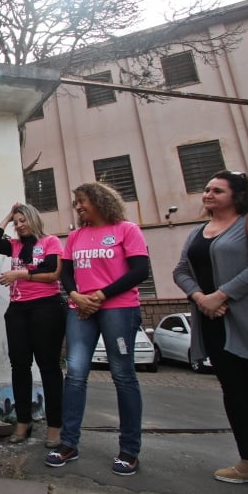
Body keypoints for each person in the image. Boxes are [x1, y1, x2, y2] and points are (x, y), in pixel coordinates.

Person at [45, 182, 149, 476]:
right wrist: (75, 296)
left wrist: (102, 295)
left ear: (100, 200)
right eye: (75, 202)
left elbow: (140, 270)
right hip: (81, 310)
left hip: (119, 309)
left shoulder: (127, 230)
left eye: (82, 201)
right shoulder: (76, 236)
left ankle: (129, 450)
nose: (77, 206)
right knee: (75, 374)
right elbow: (66, 273)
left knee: (123, 375)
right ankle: (68, 443)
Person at [173, 170, 248, 484]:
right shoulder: (199, 231)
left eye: (218, 190)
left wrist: (221, 295)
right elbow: (181, 270)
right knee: (236, 394)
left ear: (237, 196)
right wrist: (201, 298)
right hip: (213, 323)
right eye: (207, 189)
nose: (208, 194)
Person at [0, 203, 65, 447]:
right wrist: (9, 214)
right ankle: (23, 421)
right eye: (16, 222)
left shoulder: (50, 242)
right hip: (18, 310)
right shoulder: (15, 246)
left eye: (23, 220)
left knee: (49, 367)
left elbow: (53, 272)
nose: (19, 225)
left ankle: (55, 425)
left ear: (34, 219)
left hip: (47, 308)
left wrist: (20, 275)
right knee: (19, 366)